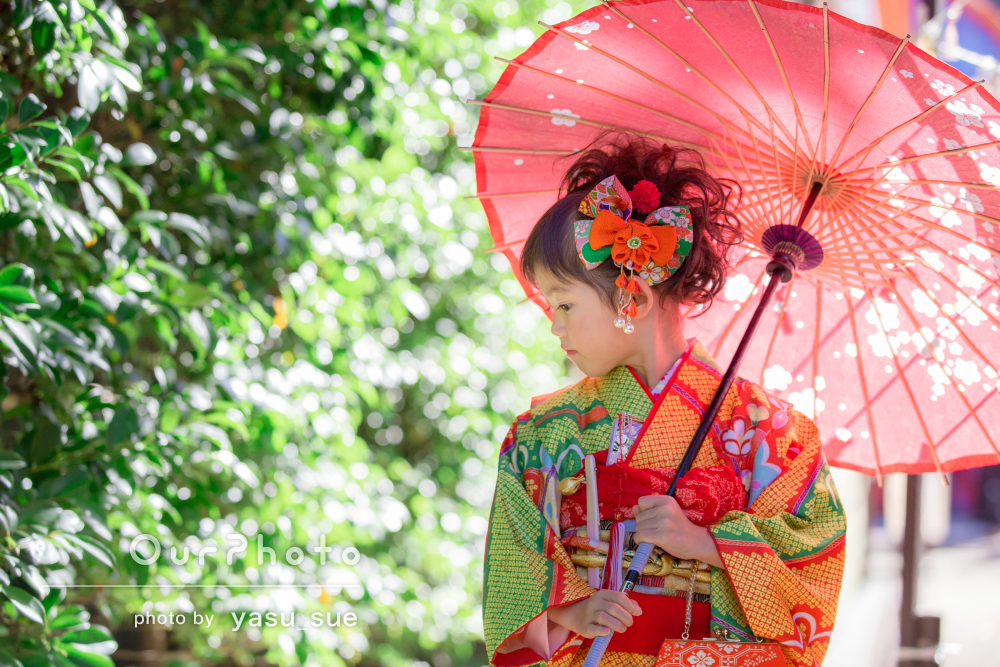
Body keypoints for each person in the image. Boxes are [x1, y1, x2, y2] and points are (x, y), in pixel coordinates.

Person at [481, 135, 846, 667]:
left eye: (563, 303)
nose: (554, 325)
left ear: (633, 297)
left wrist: (707, 543)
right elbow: (512, 564)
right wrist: (567, 612)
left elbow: (814, 561)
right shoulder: (542, 431)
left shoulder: (773, 433)